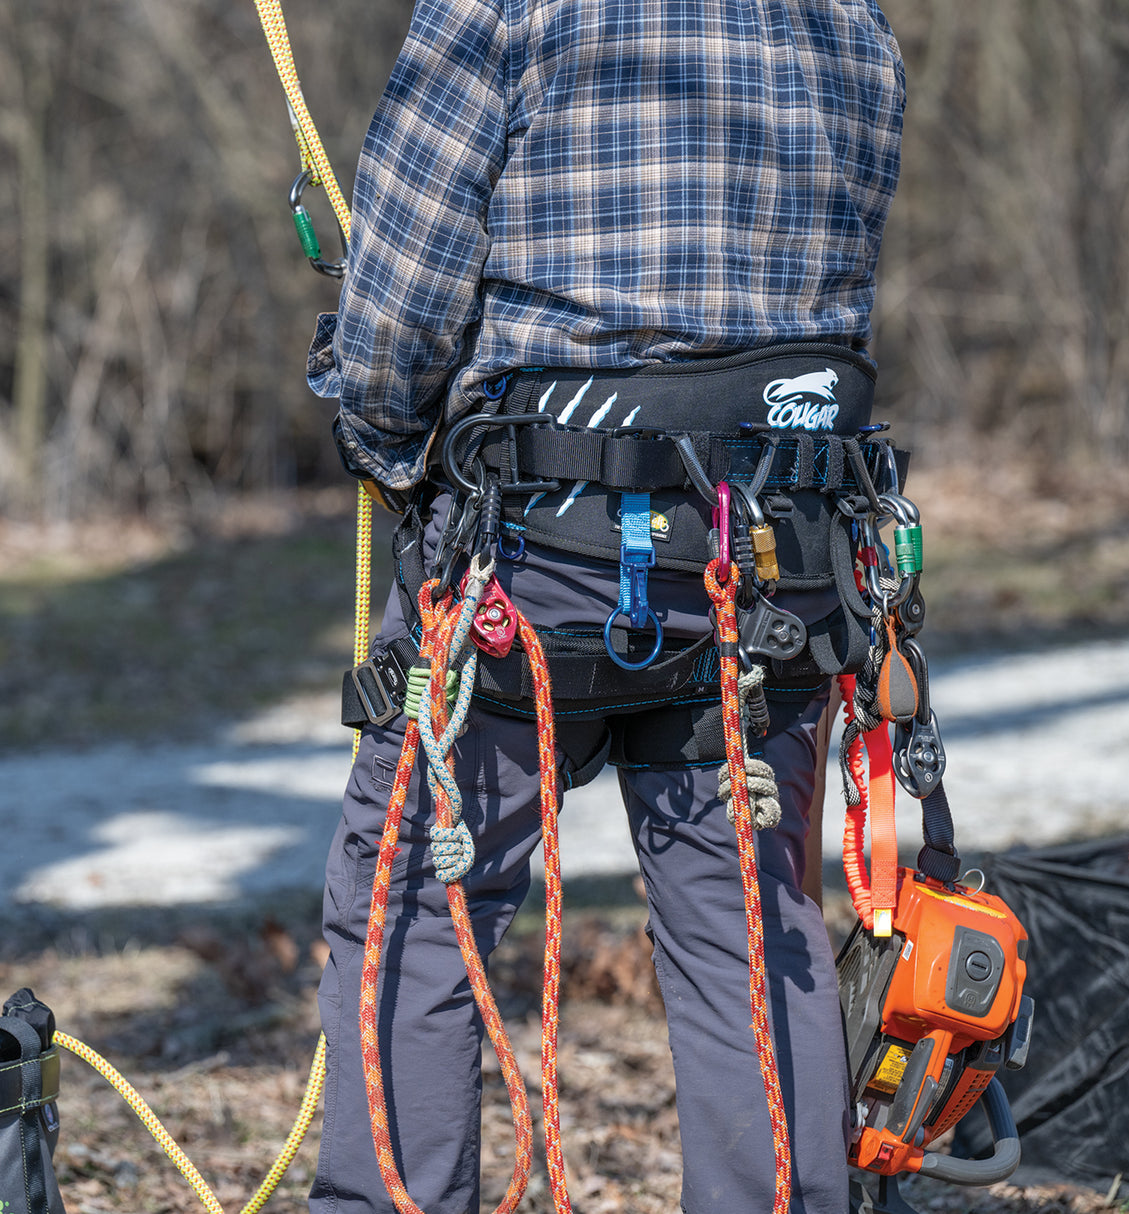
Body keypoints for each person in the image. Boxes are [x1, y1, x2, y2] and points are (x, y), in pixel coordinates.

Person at [305, 0, 905, 1210]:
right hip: (770, 561)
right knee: (749, 927)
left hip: (531, 556)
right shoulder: (847, 20)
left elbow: (399, 302)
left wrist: (382, 435)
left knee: (416, 901)